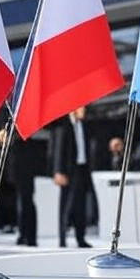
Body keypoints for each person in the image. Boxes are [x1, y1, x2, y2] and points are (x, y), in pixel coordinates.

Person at [52, 106, 95, 248]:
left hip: (82, 169)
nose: (85, 111)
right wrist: (58, 171)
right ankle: (62, 239)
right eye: (83, 108)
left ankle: (80, 238)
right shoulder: (64, 125)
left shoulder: (85, 125)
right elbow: (58, 148)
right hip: (68, 171)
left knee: (80, 206)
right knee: (66, 205)